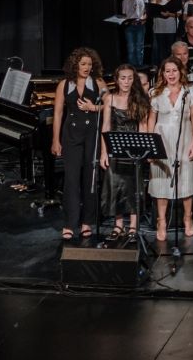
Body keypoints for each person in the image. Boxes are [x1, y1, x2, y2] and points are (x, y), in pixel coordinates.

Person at [51, 47, 109, 240]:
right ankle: (70, 223)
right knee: (71, 179)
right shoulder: (64, 84)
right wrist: (55, 140)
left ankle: (87, 222)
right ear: (75, 65)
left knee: (90, 178)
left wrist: (94, 107)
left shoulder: (98, 82)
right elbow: (58, 113)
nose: (86, 67)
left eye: (89, 64)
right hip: (71, 135)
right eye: (83, 64)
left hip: (92, 134)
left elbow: (110, 105)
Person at [148, 57, 193, 242]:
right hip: (162, 138)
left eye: (174, 70)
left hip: (184, 137)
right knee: (161, 179)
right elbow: (151, 119)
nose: (171, 74)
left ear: (180, 72)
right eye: (167, 71)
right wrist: (151, 145)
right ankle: (161, 221)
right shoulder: (155, 92)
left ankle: (188, 218)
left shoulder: (190, 91)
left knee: (186, 178)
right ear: (162, 73)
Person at [99, 64, 150, 239]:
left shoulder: (140, 100)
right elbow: (106, 126)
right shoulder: (109, 98)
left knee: (134, 186)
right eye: (123, 78)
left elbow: (143, 127)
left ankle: (133, 226)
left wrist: (143, 150)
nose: (126, 82)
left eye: (129, 78)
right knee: (116, 186)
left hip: (134, 148)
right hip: (115, 147)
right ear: (117, 80)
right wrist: (103, 152)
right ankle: (118, 224)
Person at [120, 0, 148, 66]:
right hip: (129, 26)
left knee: (139, 47)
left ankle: (139, 66)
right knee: (131, 47)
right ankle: (132, 67)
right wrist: (123, 20)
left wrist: (144, 18)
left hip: (140, 25)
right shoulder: (126, 0)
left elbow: (146, 12)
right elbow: (124, 14)